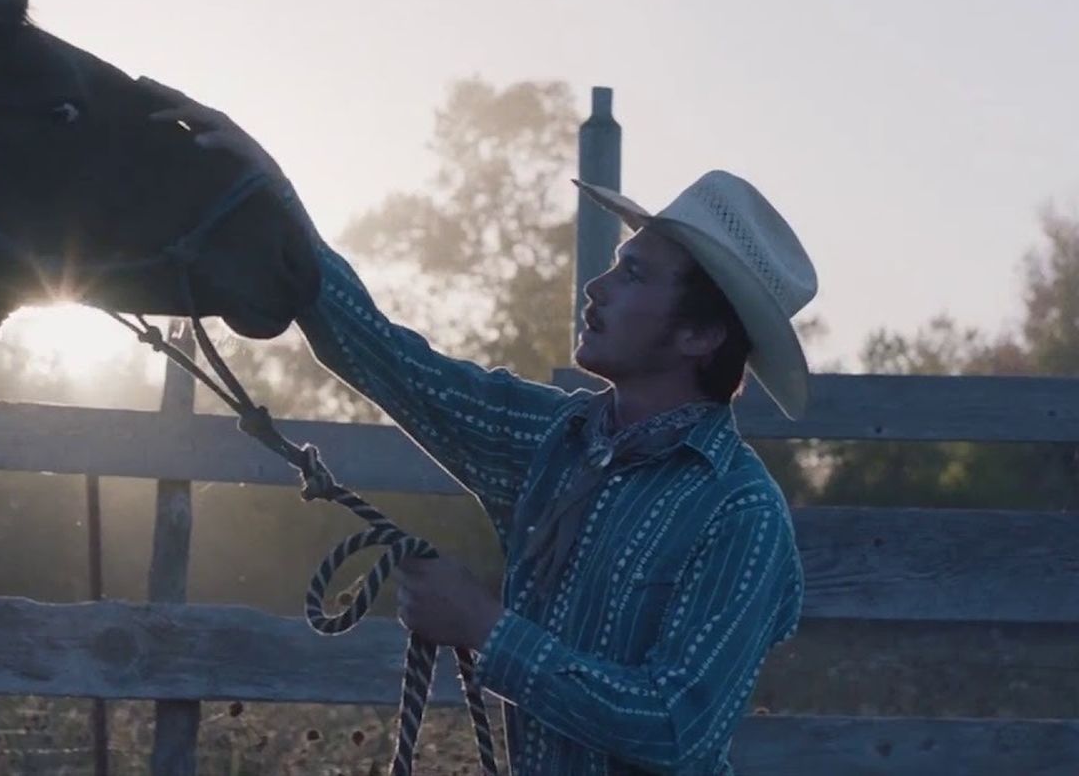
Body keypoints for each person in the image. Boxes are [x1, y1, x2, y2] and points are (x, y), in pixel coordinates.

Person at [141, 77, 816, 775]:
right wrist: (274, 195)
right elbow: (393, 361)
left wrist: (483, 628)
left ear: (700, 334)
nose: (598, 286)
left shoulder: (740, 512)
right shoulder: (554, 441)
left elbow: (675, 728)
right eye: (615, 265)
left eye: (635, 274)